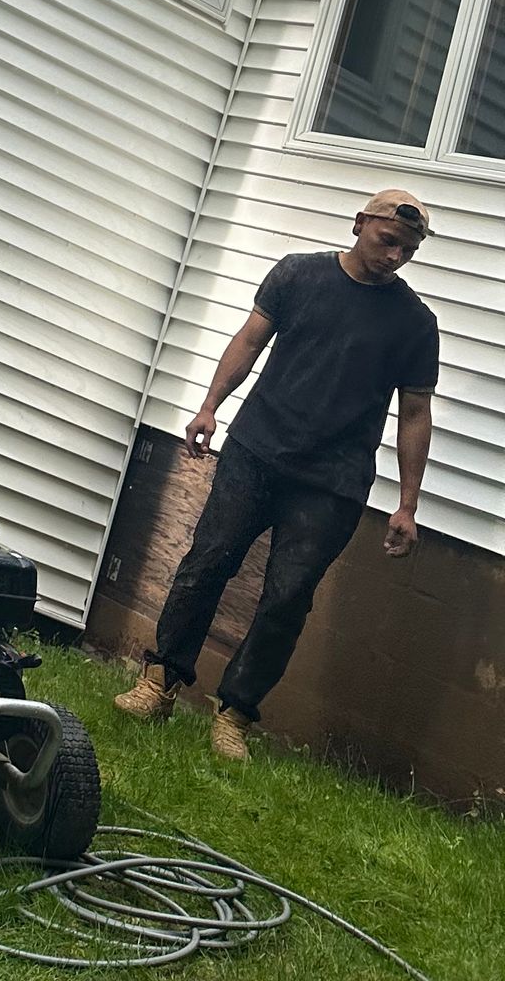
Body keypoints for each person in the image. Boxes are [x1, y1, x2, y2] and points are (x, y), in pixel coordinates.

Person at [115, 189, 438, 761]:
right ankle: (160, 682)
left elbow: (415, 412)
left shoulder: (415, 323)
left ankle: (235, 715)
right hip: (255, 450)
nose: (395, 257)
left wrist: (407, 504)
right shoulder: (297, 275)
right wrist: (209, 406)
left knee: (287, 598)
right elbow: (249, 340)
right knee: (206, 563)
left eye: (407, 251)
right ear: (359, 223)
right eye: (388, 241)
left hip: (333, 482)